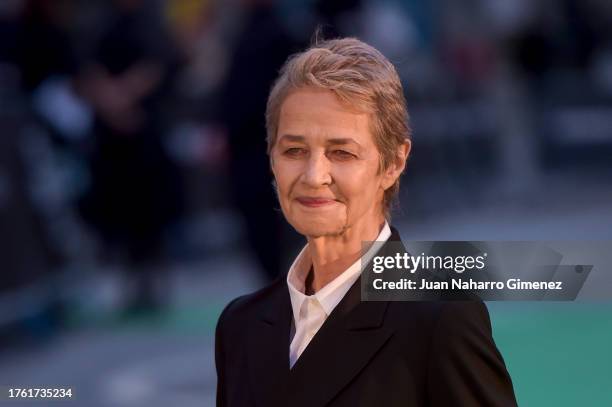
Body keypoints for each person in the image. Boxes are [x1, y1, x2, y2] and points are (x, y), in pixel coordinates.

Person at [215, 37, 518, 406]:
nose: (313, 175)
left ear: (393, 163)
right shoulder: (239, 326)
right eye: (294, 150)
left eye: (342, 152)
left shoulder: (440, 318)